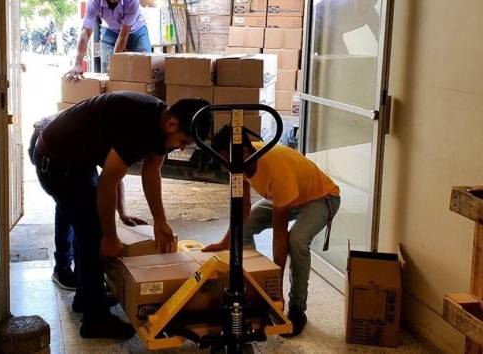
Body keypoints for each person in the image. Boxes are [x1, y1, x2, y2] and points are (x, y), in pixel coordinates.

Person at [32, 91, 211, 339]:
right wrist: (110, 235)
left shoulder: (162, 122)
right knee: (92, 231)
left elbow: (151, 172)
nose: (181, 148)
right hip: (55, 161)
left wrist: (158, 219)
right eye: (184, 141)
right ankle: (94, 321)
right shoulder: (139, 125)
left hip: (75, 159)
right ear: (173, 124)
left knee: (86, 220)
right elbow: (108, 182)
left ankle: (86, 297)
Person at [203, 124, 341, 337]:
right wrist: (225, 241)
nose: (226, 168)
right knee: (244, 228)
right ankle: (253, 291)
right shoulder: (239, 162)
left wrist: (275, 289)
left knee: (297, 240)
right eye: (223, 162)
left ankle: (297, 309)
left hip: (321, 198)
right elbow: (243, 208)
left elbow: (279, 234)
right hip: (289, 196)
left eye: (227, 161)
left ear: (247, 153)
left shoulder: (276, 168)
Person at [27, 116, 147, 292]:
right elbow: (111, 179)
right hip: (50, 150)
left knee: (73, 210)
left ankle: (84, 279)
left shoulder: (108, 137)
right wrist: (110, 234)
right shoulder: (112, 137)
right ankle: (66, 271)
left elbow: (113, 178)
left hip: (69, 150)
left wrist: (122, 213)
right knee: (80, 217)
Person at [66, 0, 151, 78]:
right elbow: (86, 32)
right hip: (110, 31)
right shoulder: (94, 1)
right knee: (107, 73)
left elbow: (124, 34)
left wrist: (114, 63)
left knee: (145, 67)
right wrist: (77, 64)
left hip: (136, 31)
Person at [313, 0, 382, 55]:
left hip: (333, 31)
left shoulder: (371, 14)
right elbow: (329, 32)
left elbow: (380, 36)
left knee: (342, 59)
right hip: (316, 24)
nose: (371, 2)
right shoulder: (343, 6)